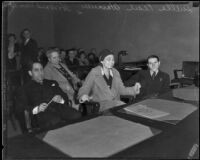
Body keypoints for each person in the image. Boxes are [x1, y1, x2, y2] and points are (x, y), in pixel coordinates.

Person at [16, 61, 81, 131]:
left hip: (59, 108)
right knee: (55, 120)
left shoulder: (52, 82)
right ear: (30, 73)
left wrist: (61, 99)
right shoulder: (25, 88)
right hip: (41, 113)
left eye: (41, 69)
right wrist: (37, 109)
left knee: (76, 115)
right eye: (36, 70)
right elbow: (21, 106)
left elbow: (64, 96)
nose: (40, 72)